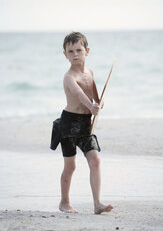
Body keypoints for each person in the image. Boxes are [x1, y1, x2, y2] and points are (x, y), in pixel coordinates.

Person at [57, 32, 113, 214]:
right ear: (65, 54)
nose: (75, 54)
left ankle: (97, 204)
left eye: (78, 50)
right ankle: (64, 202)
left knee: (95, 160)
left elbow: (94, 96)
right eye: (70, 51)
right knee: (70, 166)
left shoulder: (90, 72)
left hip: (86, 125)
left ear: (87, 51)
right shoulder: (68, 77)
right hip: (68, 125)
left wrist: (99, 103)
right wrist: (91, 105)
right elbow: (80, 95)